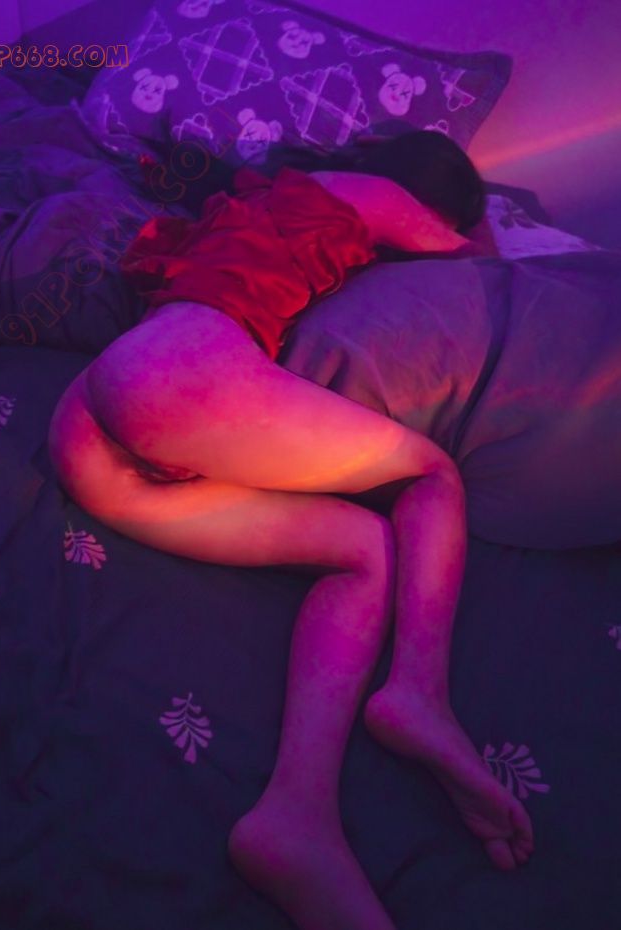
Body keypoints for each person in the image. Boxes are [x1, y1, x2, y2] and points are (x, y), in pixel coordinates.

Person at [47, 131, 531, 930]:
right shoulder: (373, 196)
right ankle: (420, 691)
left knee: (363, 551)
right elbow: (471, 258)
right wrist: (479, 213)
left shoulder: (258, 200)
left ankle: (296, 817)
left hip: (90, 427)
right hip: (180, 373)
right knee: (432, 476)